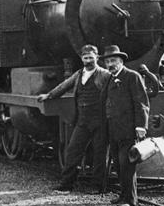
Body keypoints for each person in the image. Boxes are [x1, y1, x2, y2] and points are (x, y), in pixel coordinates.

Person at [37, 44, 111, 193]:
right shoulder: (78, 74)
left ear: (97, 58)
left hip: (100, 120)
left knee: (99, 154)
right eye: (85, 58)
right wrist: (49, 95)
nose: (88, 60)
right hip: (82, 120)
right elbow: (63, 86)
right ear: (81, 58)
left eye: (91, 57)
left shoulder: (105, 75)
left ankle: (98, 187)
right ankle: (66, 184)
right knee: (73, 151)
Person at [100, 45, 150, 206]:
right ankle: (123, 196)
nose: (110, 64)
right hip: (113, 129)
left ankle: (130, 199)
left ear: (121, 61)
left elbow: (141, 103)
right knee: (118, 164)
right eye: (107, 61)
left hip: (128, 129)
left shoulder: (132, 76)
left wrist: (141, 126)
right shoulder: (109, 78)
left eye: (113, 60)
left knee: (127, 164)